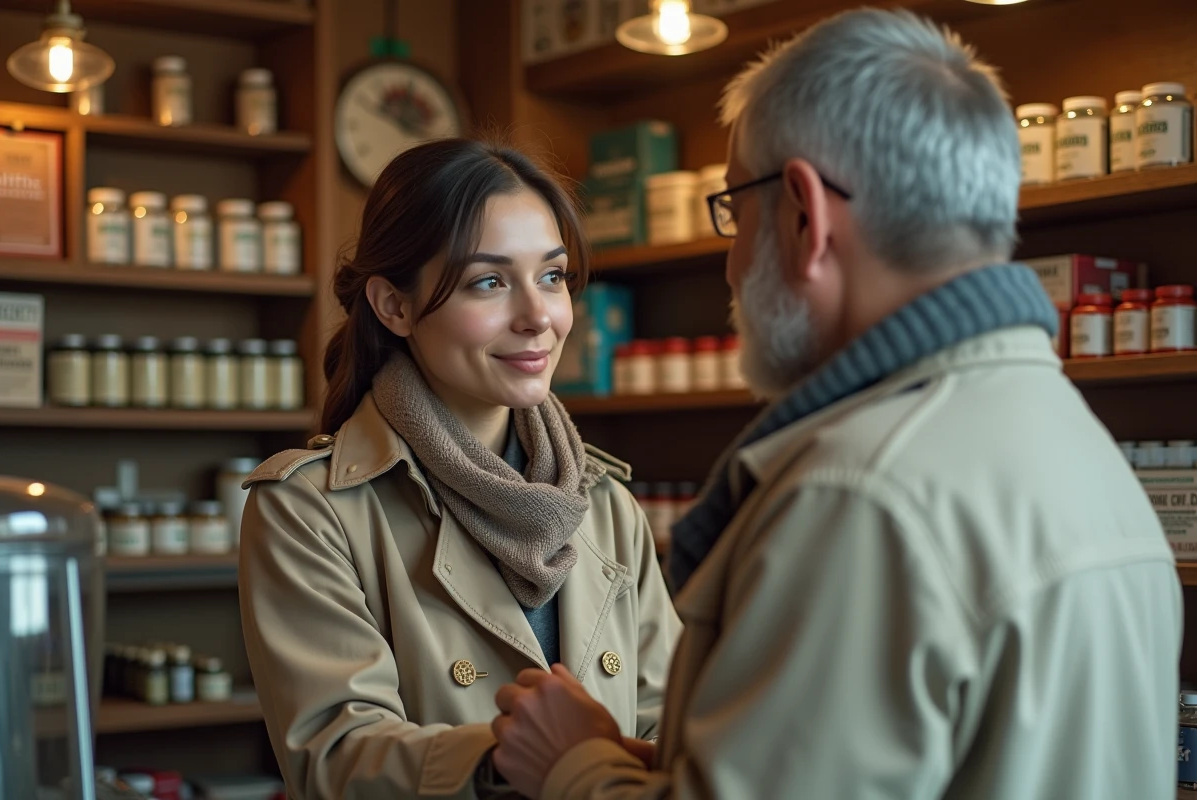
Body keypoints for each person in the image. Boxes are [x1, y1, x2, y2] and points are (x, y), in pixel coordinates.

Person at [489, 9, 1181, 799]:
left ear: (803, 213)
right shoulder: (1082, 448)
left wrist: (574, 764)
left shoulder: (859, 494)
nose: (732, 266)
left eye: (736, 213)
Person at [237, 138, 681, 799]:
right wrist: (514, 758)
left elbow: (667, 726)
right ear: (394, 306)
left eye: (552, 277)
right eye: (489, 282)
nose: (538, 317)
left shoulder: (605, 502)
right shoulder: (309, 508)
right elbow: (336, 758)